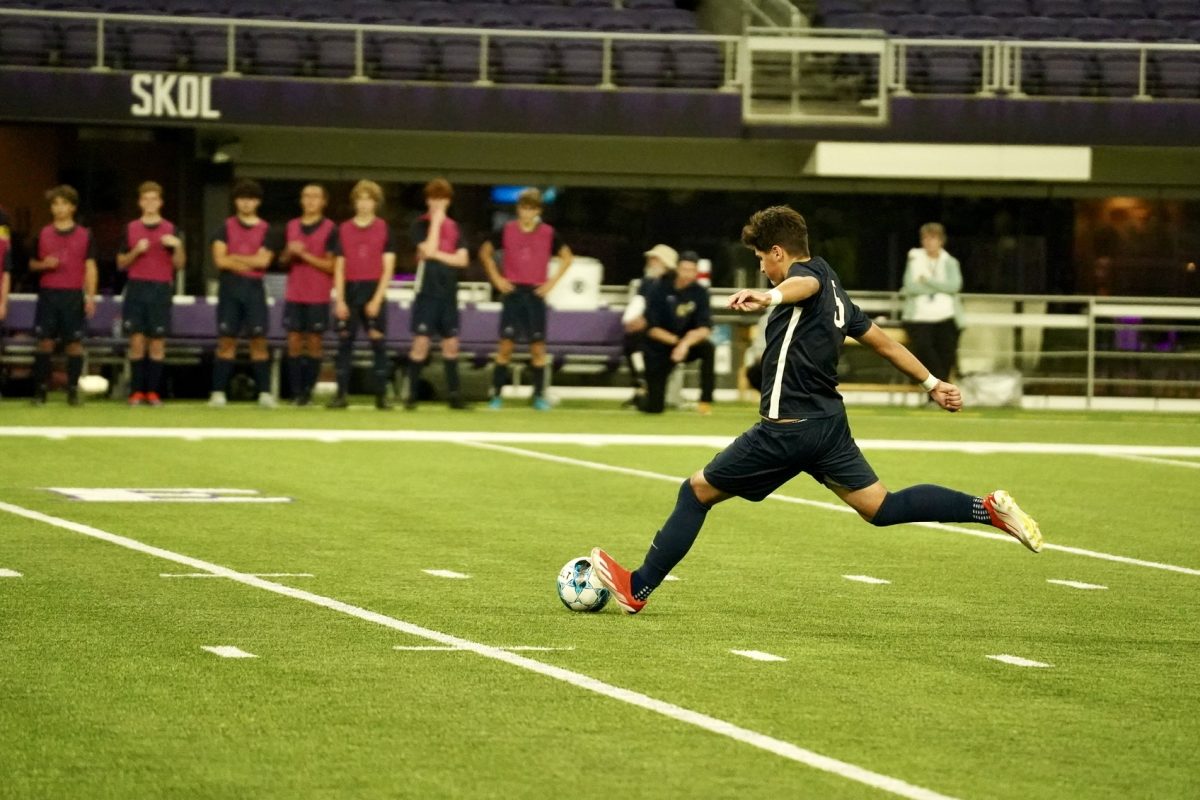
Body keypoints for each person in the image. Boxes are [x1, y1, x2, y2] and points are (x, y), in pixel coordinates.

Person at [590, 206, 1043, 615]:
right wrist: (932, 382)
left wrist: (769, 297)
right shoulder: (834, 286)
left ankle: (638, 587)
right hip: (828, 427)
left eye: (762, 259)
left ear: (777, 252)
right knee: (880, 507)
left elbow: (796, 285)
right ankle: (986, 509)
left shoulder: (804, 281)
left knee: (696, 492)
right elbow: (882, 342)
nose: (761, 269)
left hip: (787, 429)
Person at [478, 188, 573, 411]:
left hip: (535, 293)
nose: (526, 212)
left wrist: (551, 283)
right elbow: (485, 252)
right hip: (512, 292)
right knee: (505, 346)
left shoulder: (549, 233)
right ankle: (496, 396)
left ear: (538, 210)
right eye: (523, 207)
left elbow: (567, 258)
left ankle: (538, 396)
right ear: (518, 209)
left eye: (531, 208)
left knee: (538, 348)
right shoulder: (507, 230)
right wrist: (496, 278)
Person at [209, 178, 279, 408]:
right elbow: (220, 261)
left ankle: (265, 393)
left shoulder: (266, 229)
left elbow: (264, 261)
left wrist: (235, 256)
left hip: (254, 290)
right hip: (230, 288)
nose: (246, 203)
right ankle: (218, 392)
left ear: (257, 202)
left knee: (258, 340)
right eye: (242, 199)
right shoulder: (225, 227)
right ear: (236, 201)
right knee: (226, 339)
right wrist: (251, 261)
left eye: (251, 199)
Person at [329, 179, 396, 410]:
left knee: (378, 343)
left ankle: (381, 396)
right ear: (354, 202)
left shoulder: (384, 228)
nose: (365, 204)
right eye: (361, 199)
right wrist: (339, 299)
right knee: (344, 343)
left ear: (376, 203)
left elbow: (388, 267)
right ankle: (340, 395)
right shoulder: (343, 229)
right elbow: (339, 266)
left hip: (373, 288)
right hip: (350, 289)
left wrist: (377, 299)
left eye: (369, 199)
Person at [117, 181, 185, 406]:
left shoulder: (171, 229)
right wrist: (136, 251)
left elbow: (180, 265)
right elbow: (120, 263)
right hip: (136, 287)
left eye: (154, 199)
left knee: (157, 342)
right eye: (146, 199)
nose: (150, 203)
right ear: (140, 202)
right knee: (136, 340)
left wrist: (178, 246)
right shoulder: (130, 228)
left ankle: (153, 392)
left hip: (160, 288)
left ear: (161, 202)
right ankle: (136, 391)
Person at [28, 185, 98, 406]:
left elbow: (90, 267)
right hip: (49, 294)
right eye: (55, 204)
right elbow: (31, 264)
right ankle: (40, 392)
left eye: (63, 204)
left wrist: (90, 296)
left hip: (72, 296)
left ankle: (73, 391)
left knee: (74, 344)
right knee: (44, 343)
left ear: (73, 207)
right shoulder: (43, 233)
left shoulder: (85, 235)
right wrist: (43, 264)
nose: (59, 208)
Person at [405, 177, 470, 410]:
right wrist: (436, 223)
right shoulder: (419, 225)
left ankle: (454, 395)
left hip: (448, 292)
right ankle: (410, 395)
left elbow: (462, 259)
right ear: (427, 200)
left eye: (442, 199)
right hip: (427, 292)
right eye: (434, 198)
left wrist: (437, 255)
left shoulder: (456, 227)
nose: (437, 203)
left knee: (451, 344)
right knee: (420, 343)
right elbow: (427, 248)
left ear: (448, 201)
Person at [637, 250, 715, 416]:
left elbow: (705, 327)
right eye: (684, 269)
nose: (687, 274)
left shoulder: (700, 293)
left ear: (696, 272)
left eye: (691, 270)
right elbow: (651, 328)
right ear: (677, 268)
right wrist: (676, 342)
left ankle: (705, 401)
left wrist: (685, 344)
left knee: (708, 348)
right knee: (654, 407)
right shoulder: (658, 288)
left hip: (687, 345)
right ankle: (644, 396)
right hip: (659, 346)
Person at [281, 183, 338, 407]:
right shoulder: (292, 226)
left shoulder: (331, 229)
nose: (311, 200)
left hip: (318, 294)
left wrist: (304, 255)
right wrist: (289, 253)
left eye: (316, 197)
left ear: (324, 201)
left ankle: (308, 391)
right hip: (294, 292)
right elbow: (284, 261)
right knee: (294, 340)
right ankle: (295, 392)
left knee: (314, 342)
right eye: (306, 196)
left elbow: (331, 265)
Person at [900, 222, 964, 386]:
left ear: (941, 241)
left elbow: (954, 286)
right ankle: (940, 385)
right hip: (919, 317)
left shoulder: (950, 262)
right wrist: (939, 287)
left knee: (946, 353)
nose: (929, 242)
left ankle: (939, 391)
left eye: (933, 238)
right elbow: (910, 287)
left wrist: (927, 281)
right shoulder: (915, 258)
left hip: (946, 316)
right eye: (926, 238)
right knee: (924, 349)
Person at [621, 243, 676, 407]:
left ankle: (647, 386)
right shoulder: (647, 283)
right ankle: (640, 383)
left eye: (655, 259)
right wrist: (635, 320)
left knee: (647, 344)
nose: (650, 262)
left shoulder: (672, 284)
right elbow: (641, 304)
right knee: (631, 342)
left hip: (668, 330)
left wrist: (646, 321)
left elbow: (668, 311)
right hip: (649, 330)